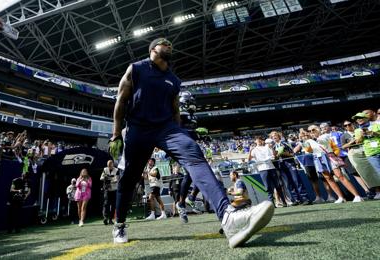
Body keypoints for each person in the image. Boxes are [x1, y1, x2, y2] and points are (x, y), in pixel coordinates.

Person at [110, 38, 274, 248]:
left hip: (166, 128)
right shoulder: (136, 69)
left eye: (171, 44)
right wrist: (116, 133)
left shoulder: (173, 80)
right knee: (128, 179)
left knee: (193, 150)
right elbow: (121, 100)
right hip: (137, 128)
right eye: (164, 43)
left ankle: (228, 216)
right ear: (152, 49)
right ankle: (120, 224)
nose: (169, 45)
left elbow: (175, 109)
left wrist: (178, 135)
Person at [100, 160, 119, 225]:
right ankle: (105, 218)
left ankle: (111, 219)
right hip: (107, 189)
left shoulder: (116, 170)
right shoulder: (105, 169)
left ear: (113, 164)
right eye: (108, 165)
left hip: (114, 189)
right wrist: (106, 177)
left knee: (113, 205)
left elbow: (116, 179)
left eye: (110, 165)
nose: (109, 167)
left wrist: (108, 178)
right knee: (106, 204)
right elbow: (101, 178)